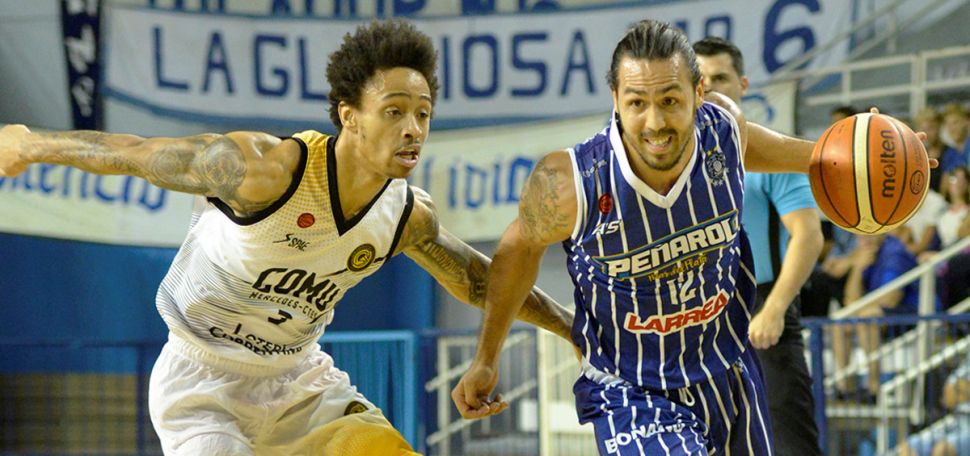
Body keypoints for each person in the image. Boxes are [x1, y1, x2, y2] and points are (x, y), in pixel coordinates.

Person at [0, 20, 574, 455]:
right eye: (394, 111)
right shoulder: (263, 171)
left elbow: (481, 281)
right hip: (203, 384)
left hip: (302, 382)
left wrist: (573, 327)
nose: (412, 129)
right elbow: (137, 154)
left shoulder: (404, 215)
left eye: (422, 114)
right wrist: (28, 143)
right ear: (349, 116)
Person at [452, 19, 840, 455]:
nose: (654, 122)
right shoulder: (570, 183)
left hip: (726, 367)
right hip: (632, 389)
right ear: (615, 98)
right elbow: (517, 251)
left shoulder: (724, 129)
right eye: (637, 102)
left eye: (670, 101)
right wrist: (486, 357)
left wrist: (848, 155)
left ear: (698, 92)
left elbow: (771, 150)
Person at [693, 36, 824, 456]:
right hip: (698, 319)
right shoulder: (675, 163)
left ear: (743, 84)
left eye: (720, 78)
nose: (709, 88)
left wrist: (775, 309)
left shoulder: (772, 157)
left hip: (761, 314)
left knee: (789, 444)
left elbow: (808, 236)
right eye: (700, 79)